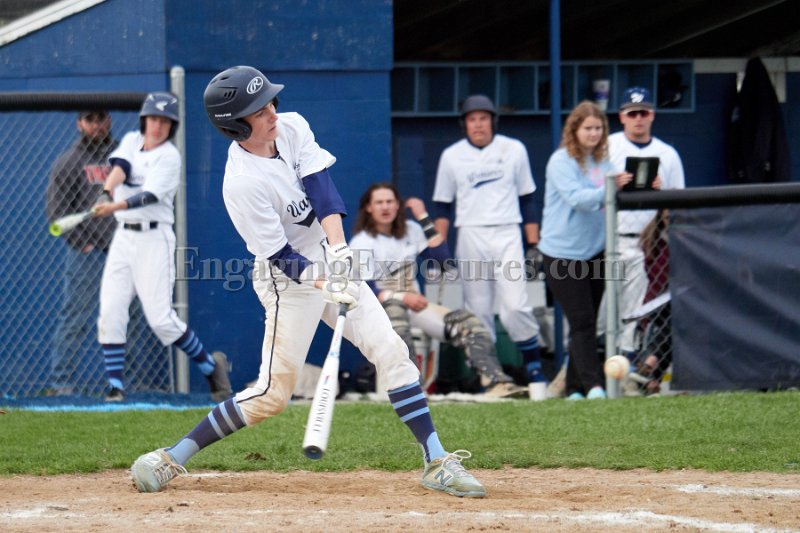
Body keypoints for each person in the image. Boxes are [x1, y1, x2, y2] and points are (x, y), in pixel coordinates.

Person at [128, 66, 485, 498]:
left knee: (391, 349)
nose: (272, 113)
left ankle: (436, 460)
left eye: (270, 103)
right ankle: (171, 456)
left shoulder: (292, 126)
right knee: (272, 395)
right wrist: (325, 283)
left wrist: (339, 251)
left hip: (328, 258)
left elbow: (322, 190)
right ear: (235, 125)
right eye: (259, 111)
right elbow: (280, 256)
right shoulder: (241, 184)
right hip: (287, 281)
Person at [91, 93, 232, 403]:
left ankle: (211, 368)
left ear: (172, 126)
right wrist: (105, 192)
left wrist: (113, 206)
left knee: (161, 319)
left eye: (165, 121)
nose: (158, 126)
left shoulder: (170, 156)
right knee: (110, 311)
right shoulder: (131, 140)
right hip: (123, 238)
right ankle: (115, 386)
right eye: (154, 119)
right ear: (145, 120)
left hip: (155, 239)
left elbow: (149, 196)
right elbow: (120, 167)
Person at [350, 182, 526, 398]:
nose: (385, 207)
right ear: (369, 207)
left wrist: (423, 216)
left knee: (470, 325)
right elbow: (367, 290)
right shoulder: (361, 242)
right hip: (384, 309)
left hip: (415, 305)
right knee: (396, 314)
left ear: (398, 205)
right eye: (379, 202)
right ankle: (412, 390)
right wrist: (401, 297)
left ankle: (497, 383)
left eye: (389, 201)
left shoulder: (412, 230)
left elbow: (442, 260)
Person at [431, 94, 545, 388]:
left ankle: (534, 366)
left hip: (507, 232)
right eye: (472, 119)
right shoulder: (452, 156)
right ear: (465, 124)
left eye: (483, 118)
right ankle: (489, 374)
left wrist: (534, 245)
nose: (478, 124)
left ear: (493, 121)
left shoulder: (513, 149)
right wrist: (440, 251)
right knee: (478, 308)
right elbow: (443, 207)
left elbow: (528, 199)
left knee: (515, 305)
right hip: (470, 233)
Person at [538, 101, 632, 400]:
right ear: (574, 130)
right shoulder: (560, 161)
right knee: (582, 321)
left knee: (585, 323)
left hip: (596, 252)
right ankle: (594, 386)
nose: (594, 133)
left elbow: (617, 192)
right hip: (561, 254)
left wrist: (640, 184)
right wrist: (613, 186)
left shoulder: (604, 162)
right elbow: (578, 199)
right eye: (588, 128)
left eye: (598, 128)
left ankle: (574, 389)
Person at [599, 87, 685, 356]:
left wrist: (660, 192)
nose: (638, 118)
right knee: (601, 313)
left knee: (634, 312)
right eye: (632, 113)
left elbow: (679, 206)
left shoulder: (667, 154)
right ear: (622, 117)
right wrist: (613, 184)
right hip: (607, 242)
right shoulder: (607, 147)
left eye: (643, 113)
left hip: (646, 245)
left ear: (652, 115)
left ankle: (626, 364)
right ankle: (586, 365)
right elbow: (587, 193)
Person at [45, 111, 118, 396]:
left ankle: (133, 385)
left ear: (109, 121)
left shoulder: (124, 155)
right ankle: (61, 384)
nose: (97, 125)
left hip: (124, 251)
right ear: (79, 124)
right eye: (90, 120)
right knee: (75, 317)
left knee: (132, 318)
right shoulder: (69, 161)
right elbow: (56, 211)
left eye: (101, 119)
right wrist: (81, 242)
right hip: (88, 254)